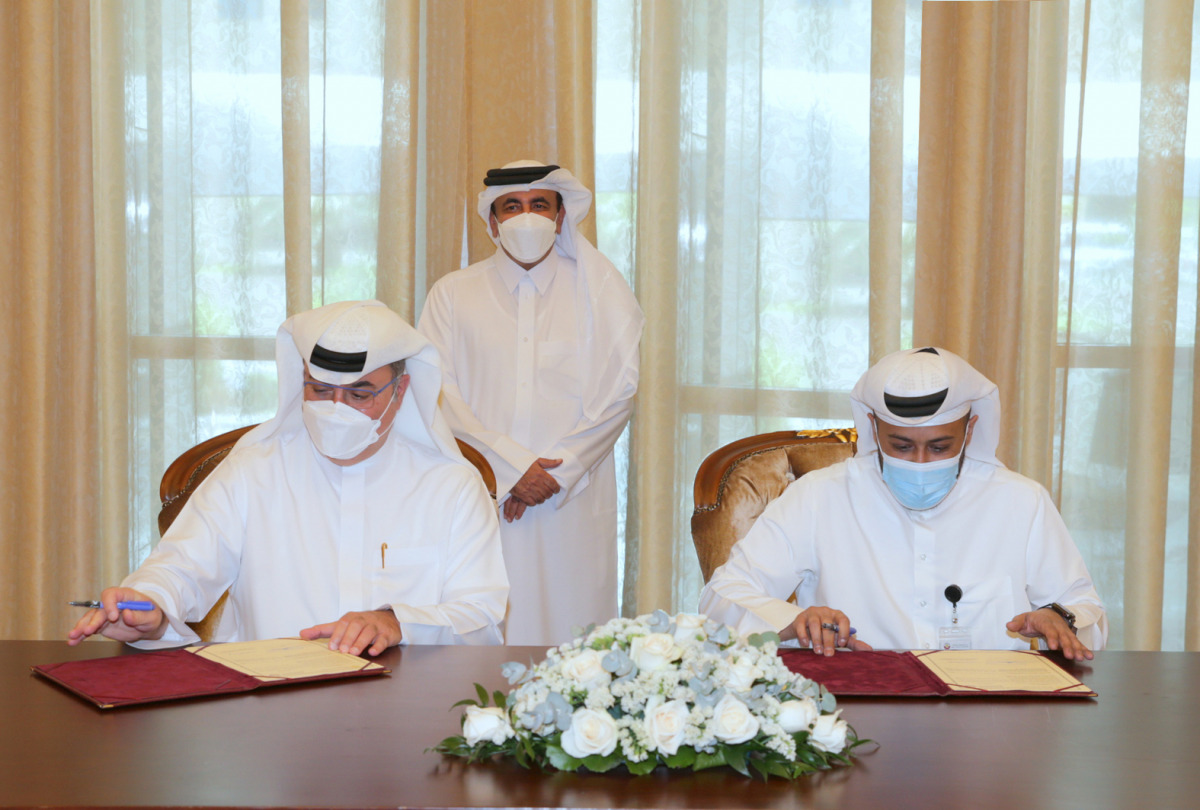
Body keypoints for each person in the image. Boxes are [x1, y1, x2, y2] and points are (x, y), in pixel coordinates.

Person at [69, 300, 508, 654]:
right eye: (320, 390)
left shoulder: (451, 485)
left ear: (400, 392)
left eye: (359, 394)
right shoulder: (253, 470)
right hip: (265, 711)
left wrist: (396, 622)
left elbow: (482, 618)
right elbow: (180, 567)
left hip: (405, 711)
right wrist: (150, 607)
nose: (337, 408)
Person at [699, 346, 1107, 660]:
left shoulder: (1021, 501)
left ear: (970, 430)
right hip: (857, 716)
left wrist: (1060, 618)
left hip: (990, 723)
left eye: (940, 446)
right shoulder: (819, 497)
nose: (920, 462)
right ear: (874, 429)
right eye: (902, 445)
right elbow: (723, 596)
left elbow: (1086, 607)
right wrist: (793, 621)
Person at [418, 161, 644, 646]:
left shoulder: (599, 292)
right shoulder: (452, 295)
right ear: (493, 221)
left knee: (575, 642)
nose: (526, 216)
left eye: (539, 205)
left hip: (572, 499)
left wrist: (557, 473)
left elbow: (619, 390)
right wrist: (512, 469)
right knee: (479, 632)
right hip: (479, 492)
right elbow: (435, 390)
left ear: (561, 217)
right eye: (512, 206)